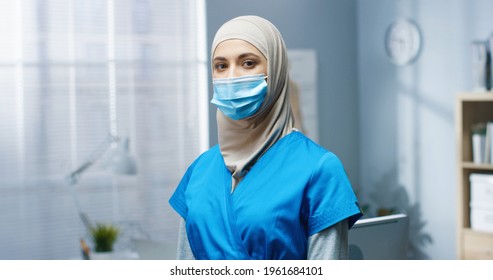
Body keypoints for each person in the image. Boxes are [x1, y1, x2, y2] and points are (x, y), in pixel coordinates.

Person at [169, 15, 362, 260]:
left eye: (248, 63)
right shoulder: (199, 171)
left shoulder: (319, 169)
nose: (232, 77)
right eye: (221, 66)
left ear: (276, 70)